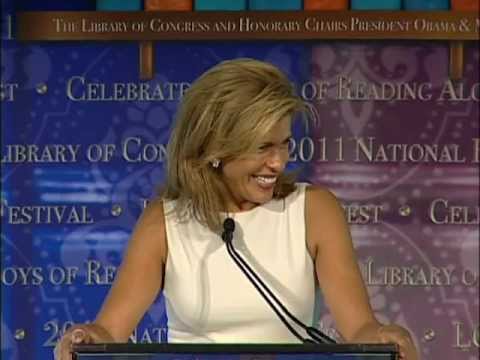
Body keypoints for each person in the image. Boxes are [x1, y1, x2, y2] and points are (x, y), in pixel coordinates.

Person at [55, 58, 418, 360]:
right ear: (215, 150)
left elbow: (359, 329)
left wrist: (386, 337)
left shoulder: (314, 211)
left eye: (285, 144)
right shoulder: (164, 222)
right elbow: (109, 333)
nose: (278, 163)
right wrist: (84, 338)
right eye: (263, 147)